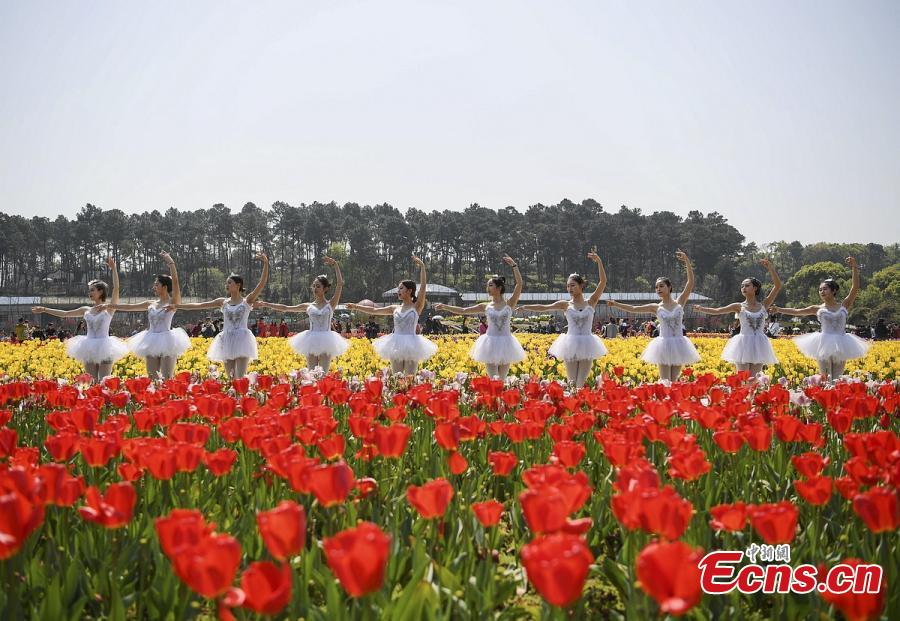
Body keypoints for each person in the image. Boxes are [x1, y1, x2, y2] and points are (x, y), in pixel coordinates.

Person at [31, 256, 129, 382]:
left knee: (104, 381)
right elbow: (65, 314)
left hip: (105, 347)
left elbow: (116, 289)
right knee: (91, 381)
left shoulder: (109, 308)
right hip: (88, 346)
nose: (89, 293)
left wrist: (114, 269)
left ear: (100, 292)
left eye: (92, 290)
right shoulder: (85, 309)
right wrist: (44, 309)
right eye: (89, 290)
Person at [520, 249, 608, 388]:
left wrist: (599, 262)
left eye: (573, 285)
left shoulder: (591, 301)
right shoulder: (565, 304)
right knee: (571, 382)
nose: (569, 288)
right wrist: (526, 307)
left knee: (580, 383)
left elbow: (603, 282)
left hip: (588, 344)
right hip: (570, 343)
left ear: (581, 286)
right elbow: (544, 307)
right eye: (568, 286)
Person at [770, 256, 870, 379]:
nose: (822, 291)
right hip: (823, 343)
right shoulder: (817, 308)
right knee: (825, 377)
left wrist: (854, 267)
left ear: (834, 290)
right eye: (820, 290)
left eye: (825, 289)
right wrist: (779, 309)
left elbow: (855, 287)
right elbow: (797, 311)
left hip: (842, 343)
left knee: (837, 378)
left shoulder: (844, 305)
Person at [608, 250, 700, 382]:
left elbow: (690, 283)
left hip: (679, 344)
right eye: (656, 287)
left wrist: (686, 261)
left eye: (661, 286)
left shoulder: (680, 302)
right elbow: (634, 309)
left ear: (669, 287)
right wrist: (616, 304)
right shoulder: (656, 307)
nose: (658, 289)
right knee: (665, 381)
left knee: (674, 381)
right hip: (663, 345)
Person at [174, 253, 269, 380]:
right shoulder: (223, 302)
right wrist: (177, 306)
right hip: (226, 339)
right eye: (226, 283)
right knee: (231, 378)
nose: (227, 285)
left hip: (242, 340)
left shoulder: (247, 301)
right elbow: (200, 305)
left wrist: (266, 264)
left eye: (229, 283)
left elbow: (261, 284)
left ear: (238, 285)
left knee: (240, 377)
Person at [99, 252, 190, 379]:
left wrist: (171, 263)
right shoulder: (150, 303)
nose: (154, 287)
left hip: (168, 340)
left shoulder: (173, 302)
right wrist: (109, 306)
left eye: (157, 284)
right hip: (151, 340)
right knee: (152, 377)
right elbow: (129, 307)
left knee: (167, 377)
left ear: (165, 287)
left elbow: (175, 282)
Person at [434, 255, 525, 380]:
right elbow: (463, 310)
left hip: (507, 344)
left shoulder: (510, 304)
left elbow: (519, 284)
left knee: (501, 380)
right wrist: (445, 307)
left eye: (491, 285)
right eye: (488, 286)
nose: (488, 288)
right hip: (489, 344)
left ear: (499, 288)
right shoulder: (485, 306)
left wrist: (514, 266)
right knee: (493, 379)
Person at [255, 257, 348, 374]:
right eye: (314, 286)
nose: (315, 288)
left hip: (327, 340)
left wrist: (335, 264)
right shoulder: (308, 306)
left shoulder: (331, 304)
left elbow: (339, 284)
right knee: (311, 373)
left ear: (325, 288)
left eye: (318, 286)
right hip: (311, 339)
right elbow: (286, 308)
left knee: (323, 373)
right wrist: (266, 304)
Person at [347, 256, 437, 375]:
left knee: (410, 378)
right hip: (395, 344)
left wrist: (422, 267)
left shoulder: (416, 307)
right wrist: (356, 306)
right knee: (397, 377)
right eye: (398, 289)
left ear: (409, 291)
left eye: (401, 288)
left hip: (413, 344)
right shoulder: (394, 308)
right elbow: (374, 310)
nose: (398, 291)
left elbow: (423, 287)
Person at [694, 259, 782, 376]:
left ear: (755, 288)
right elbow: (717, 310)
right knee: (742, 377)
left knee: (755, 379)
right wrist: (702, 308)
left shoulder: (764, 305)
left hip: (760, 345)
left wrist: (770, 268)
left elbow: (777, 286)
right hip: (743, 344)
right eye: (742, 286)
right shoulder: (738, 306)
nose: (743, 288)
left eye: (747, 285)